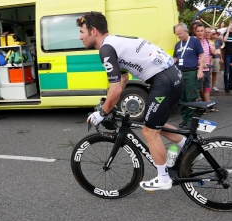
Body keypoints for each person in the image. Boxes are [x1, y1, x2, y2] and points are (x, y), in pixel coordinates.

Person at [77, 11, 186, 191]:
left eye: (82, 32)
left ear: (93, 31)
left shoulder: (105, 48)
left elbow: (116, 88)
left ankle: (163, 178)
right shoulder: (114, 41)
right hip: (171, 76)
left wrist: (102, 112)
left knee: (149, 131)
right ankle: (187, 147)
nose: (80, 37)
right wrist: (109, 103)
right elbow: (123, 79)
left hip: (163, 80)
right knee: (155, 122)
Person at [173, 22, 204, 129]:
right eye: (177, 34)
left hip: (191, 72)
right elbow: (176, 58)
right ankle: (185, 119)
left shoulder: (194, 41)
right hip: (180, 73)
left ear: (185, 31)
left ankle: (192, 120)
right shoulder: (177, 45)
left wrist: (200, 70)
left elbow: (202, 55)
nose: (178, 36)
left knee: (191, 96)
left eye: (180, 33)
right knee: (182, 97)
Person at [195, 24, 218, 112]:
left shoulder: (207, 42)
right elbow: (193, 57)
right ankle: (200, 107)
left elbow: (213, 51)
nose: (200, 33)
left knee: (207, 88)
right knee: (199, 89)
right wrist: (200, 63)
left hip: (207, 70)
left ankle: (207, 105)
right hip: (198, 70)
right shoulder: (194, 42)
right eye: (198, 31)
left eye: (202, 31)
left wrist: (217, 51)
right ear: (195, 32)